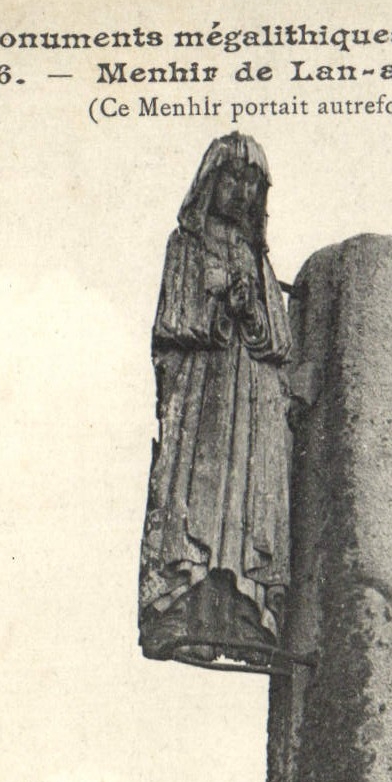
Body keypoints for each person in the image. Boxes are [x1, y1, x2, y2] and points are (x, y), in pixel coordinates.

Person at [138, 132, 292, 668]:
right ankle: (183, 606)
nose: (242, 192)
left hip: (250, 401)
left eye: (253, 183)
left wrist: (251, 309)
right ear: (210, 180)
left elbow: (278, 342)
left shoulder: (258, 259)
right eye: (233, 177)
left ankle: (243, 614)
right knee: (198, 501)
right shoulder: (186, 246)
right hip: (203, 396)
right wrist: (217, 306)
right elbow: (173, 322)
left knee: (245, 509)